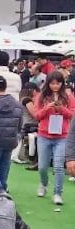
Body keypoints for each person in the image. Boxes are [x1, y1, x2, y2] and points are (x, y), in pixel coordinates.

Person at [34, 70, 73, 205]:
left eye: (58, 83)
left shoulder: (69, 97)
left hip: (62, 136)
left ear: (62, 84)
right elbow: (37, 115)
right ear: (48, 83)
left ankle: (57, 193)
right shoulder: (41, 97)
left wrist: (61, 108)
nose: (55, 86)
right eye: (52, 83)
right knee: (43, 166)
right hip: (44, 134)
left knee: (58, 166)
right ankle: (44, 183)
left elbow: (71, 115)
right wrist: (47, 108)